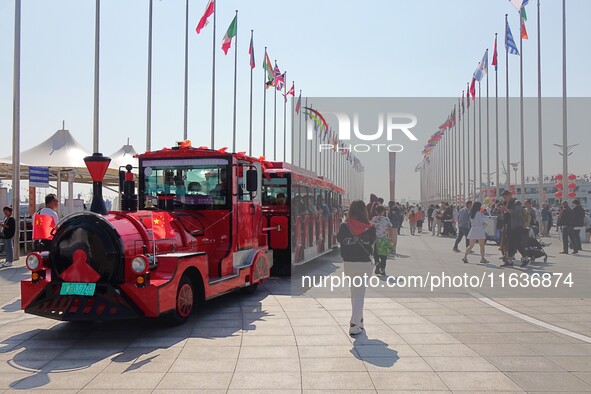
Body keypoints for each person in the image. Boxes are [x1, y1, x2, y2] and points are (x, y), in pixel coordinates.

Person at [336, 200, 376, 336]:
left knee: (355, 292)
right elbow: (372, 242)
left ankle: (360, 320)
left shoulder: (344, 226)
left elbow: (339, 239)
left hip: (349, 263)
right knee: (359, 293)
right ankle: (354, 324)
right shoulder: (371, 227)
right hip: (364, 263)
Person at [371, 205, 393, 275]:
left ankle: (377, 262)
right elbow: (390, 228)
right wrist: (390, 237)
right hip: (383, 239)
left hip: (375, 238)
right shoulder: (386, 219)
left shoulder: (374, 218)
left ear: (376, 211)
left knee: (375, 253)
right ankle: (383, 269)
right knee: (383, 255)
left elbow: (371, 227)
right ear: (383, 211)